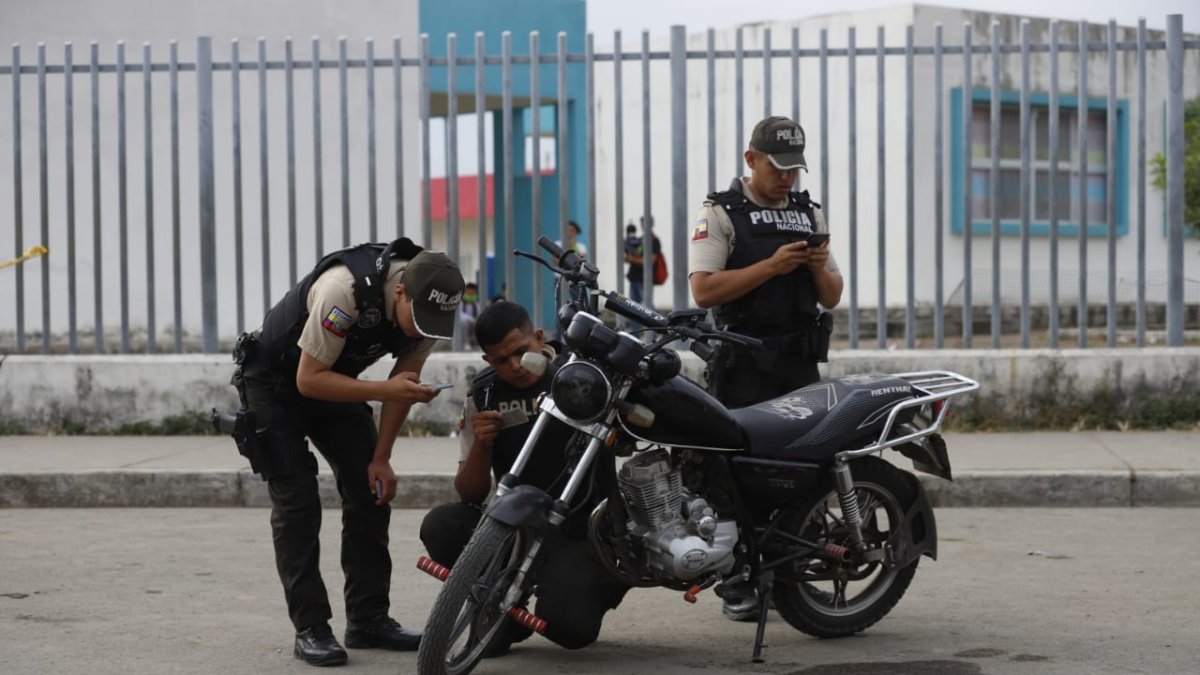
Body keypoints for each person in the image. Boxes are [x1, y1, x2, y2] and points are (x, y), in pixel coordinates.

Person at [228, 238, 465, 666]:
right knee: (298, 502)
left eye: (432, 324)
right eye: (418, 320)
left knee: (370, 490)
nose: (421, 331)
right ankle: (311, 627)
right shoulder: (344, 290)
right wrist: (384, 389)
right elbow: (308, 380)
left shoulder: (427, 310)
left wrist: (381, 457)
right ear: (399, 292)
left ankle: (368, 619)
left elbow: (404, 385)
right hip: (276, 383)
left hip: (335, 379)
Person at [687, 116, 843, 621]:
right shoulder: (720, 213)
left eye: (794, 169)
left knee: (806, 471)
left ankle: (795, 572)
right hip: (743, 367)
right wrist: (771, 267)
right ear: (751, 159)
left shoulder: (807, 212)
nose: (787, 178)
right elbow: (703, 290)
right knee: (735, 475)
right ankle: (738, 581)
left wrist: (816, 267)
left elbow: (832, 295)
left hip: (797, 365)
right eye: (777, 168)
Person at [419, 301, 627, 653]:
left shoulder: (583, 378)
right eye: (501, 360)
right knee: (441, 525)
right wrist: (482, 445)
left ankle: (599, 581)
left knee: (570, 629)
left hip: (579, 531)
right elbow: (469, 493)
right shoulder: (484, 394)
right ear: (487, 361)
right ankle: (501, 614)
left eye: (521, 352)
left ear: (540, 339)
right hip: (513, 528)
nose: (515, 366)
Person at [623, 218, 661, 304]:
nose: (643, 226)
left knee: (647, 306)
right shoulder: (640, 240)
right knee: (632, 306)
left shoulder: (654, 241)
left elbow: (650, 261)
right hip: (634, 278)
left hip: (645, 280)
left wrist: (632, 259)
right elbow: (637, 253)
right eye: (642, 224)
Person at [458, 282, 481, 347]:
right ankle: (465, 343)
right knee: (463, 322)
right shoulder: (460, 303)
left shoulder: (477, 305)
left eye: (472, 294)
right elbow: (460, 315)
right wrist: (472, 320)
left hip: (474, 325)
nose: (471, 295)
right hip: (463, 325)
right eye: (469, 294)